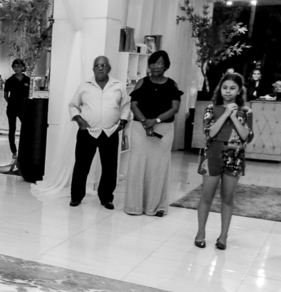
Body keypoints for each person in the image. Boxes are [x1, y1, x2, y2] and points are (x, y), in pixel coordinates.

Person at [194, 72, 253, 250]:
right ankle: (201, 232)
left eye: (232, 88)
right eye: (225, 87)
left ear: (239, 90)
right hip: (213, 155)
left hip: (235, 157)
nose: (228, 91)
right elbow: (209, 133)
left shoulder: (246, 111)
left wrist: (234, 116)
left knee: (227, 197)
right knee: (207, 196)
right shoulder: (211, 109)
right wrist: (226, 113)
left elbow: (246, 136)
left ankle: (223, 236)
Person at [124, 50, 182, 216]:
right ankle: (134, 206)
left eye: (159, 63)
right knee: (137, 164)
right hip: (140, 129)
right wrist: (145, 122)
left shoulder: (172, 85)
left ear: (166, 66)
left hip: (163, 130)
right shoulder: (142, 82)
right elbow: (134, 105)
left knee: (158, 166)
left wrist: (155, 121)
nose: (155, 66)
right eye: (153, 63)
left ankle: (155, 206)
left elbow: (174, 108)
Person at [68, 56, 128, 209]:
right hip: (87, 131)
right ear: (93, 69)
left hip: (110, 132)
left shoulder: (118, 85)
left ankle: (106, 198)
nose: (100, 68)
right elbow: (73, 105)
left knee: (109, 167)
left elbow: (126, 105)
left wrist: (122, 121)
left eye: (104, 65)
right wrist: (79, 121)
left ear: (109, 68)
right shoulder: (84, 86)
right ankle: (76, 196)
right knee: (81, 166)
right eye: (97, 65)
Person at [4, 58, 30, 165]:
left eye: (18, 66)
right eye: (14, 67)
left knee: (26, 128)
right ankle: (14, 152)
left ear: (22, 67)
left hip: (23, 108)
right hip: (12, 108)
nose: (16, 69)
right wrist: (11, 103)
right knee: (12, 129)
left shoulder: (27, 80)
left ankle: (25, 150)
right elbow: (6, 95)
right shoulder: (9, 81)